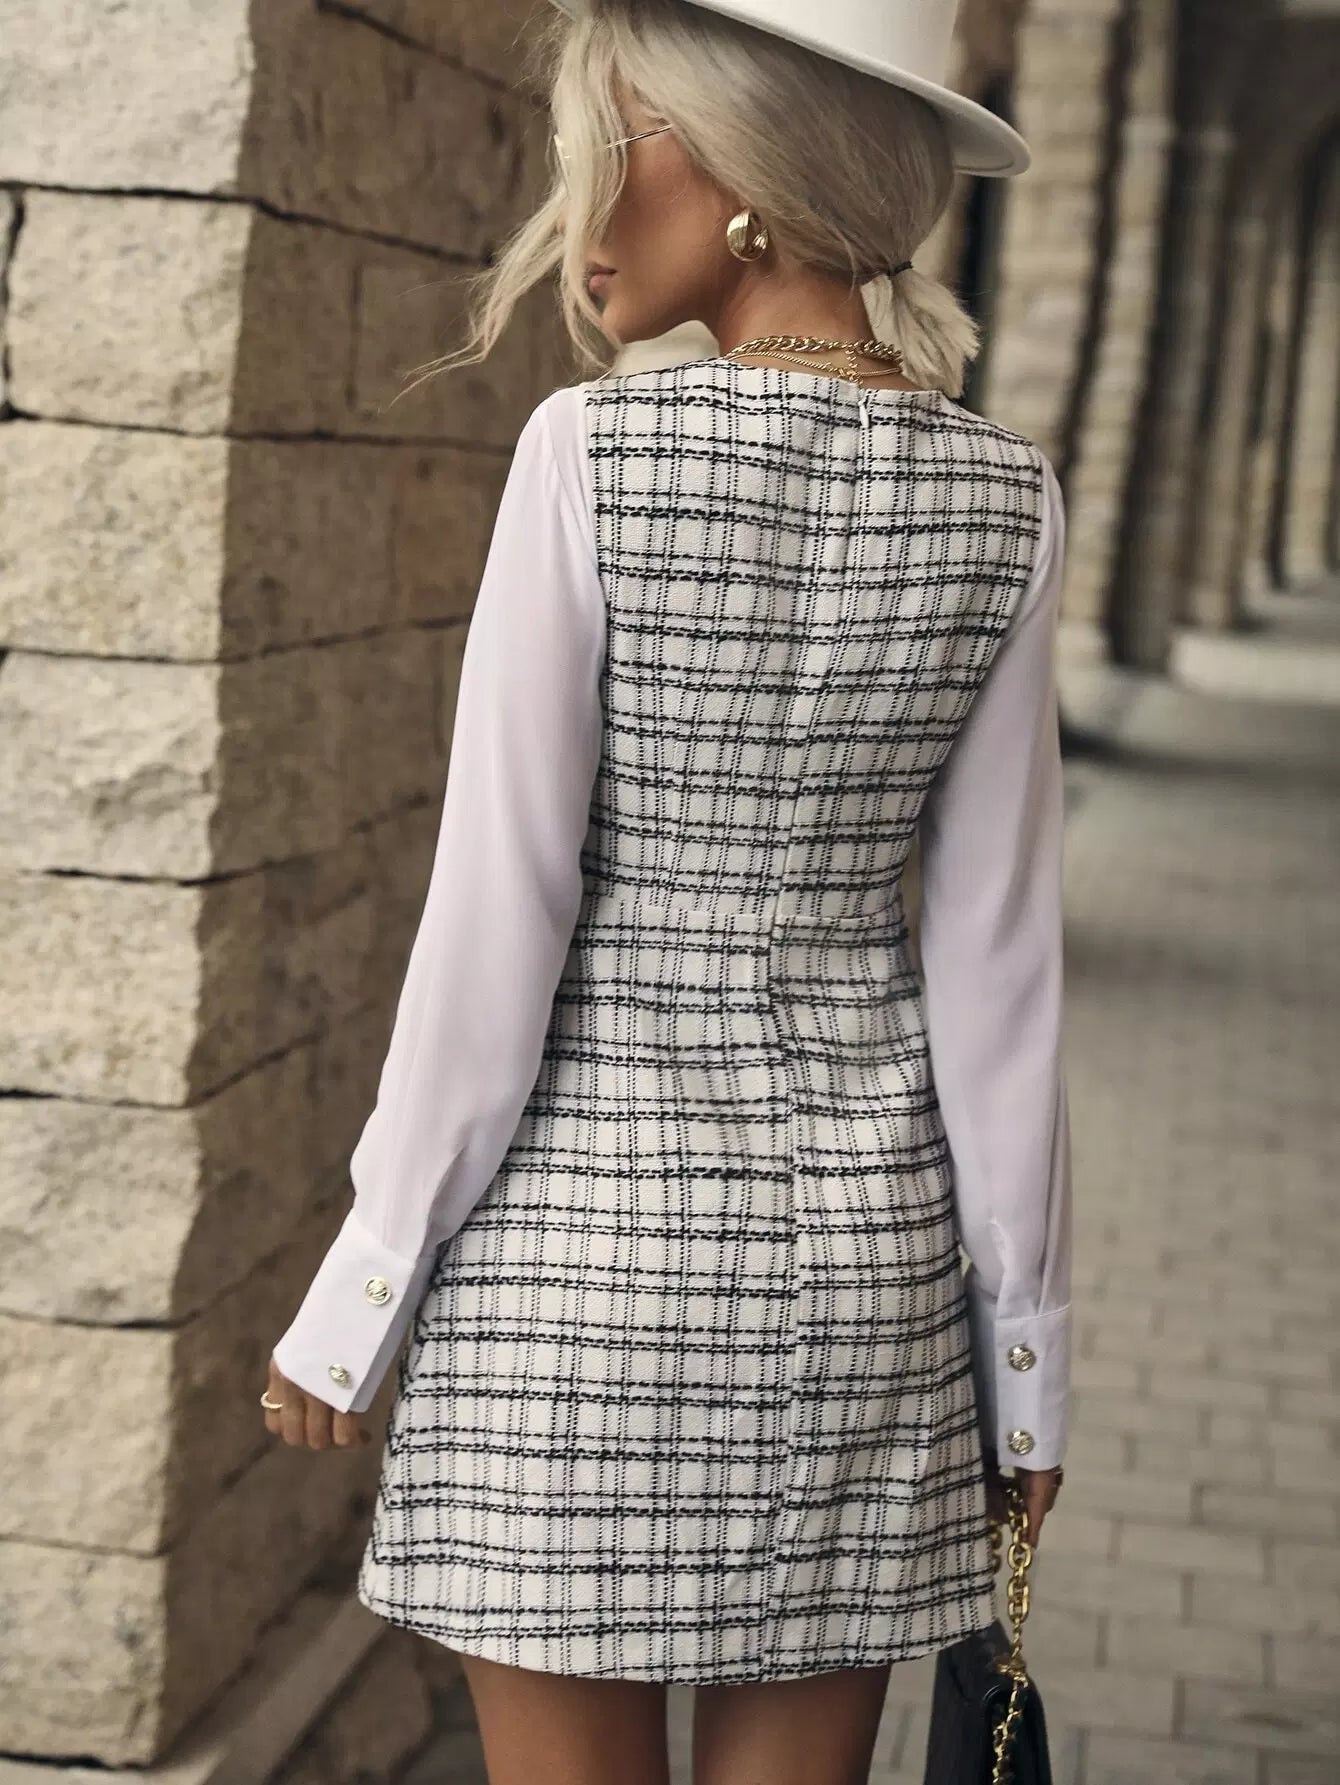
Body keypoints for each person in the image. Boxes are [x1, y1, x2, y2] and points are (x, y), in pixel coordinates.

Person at [262, 1, 1072, 1779]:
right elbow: (1000, 969)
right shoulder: (1008, 500)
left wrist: (366, 1282)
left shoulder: (591, 456)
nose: (581, 218)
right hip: (866, 1296)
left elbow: (499, 920)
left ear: (740, 178)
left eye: (609, 152)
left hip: (576, 1285)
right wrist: (1025, 1360)